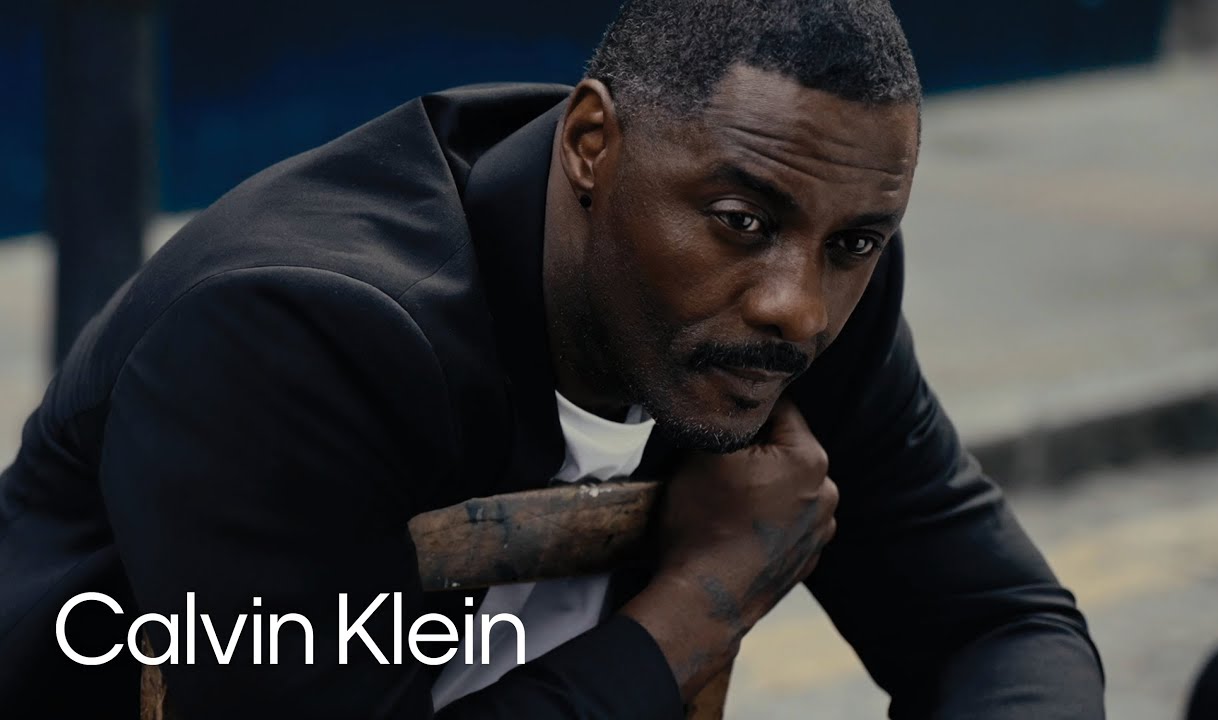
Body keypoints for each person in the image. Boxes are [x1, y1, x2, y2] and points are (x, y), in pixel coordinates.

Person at [0, 0, 1105, 717]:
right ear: (591, 145)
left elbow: (995, 626)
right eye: (738, 219)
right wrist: (701, 603)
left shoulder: (795, 292)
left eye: (855, 242)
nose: (798, 308)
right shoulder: (301, 338)